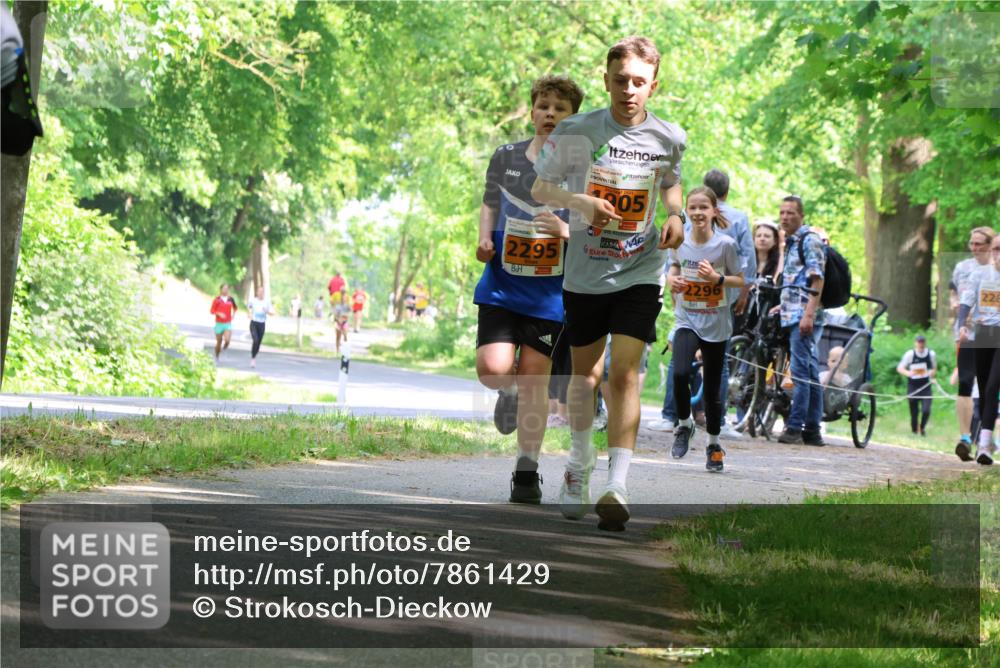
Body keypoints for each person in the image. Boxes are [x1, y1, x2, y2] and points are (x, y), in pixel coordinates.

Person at [532, 36, 686, 531]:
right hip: (586, 271)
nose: (629, 90)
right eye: (620, 80)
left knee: (624, 373)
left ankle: (618, 486)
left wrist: (677, 215)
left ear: (653, 86)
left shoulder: (668, 137)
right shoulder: (576, 130)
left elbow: (671, 182)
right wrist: (579, 202)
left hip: (640, 269)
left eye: (639, 82)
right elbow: (541, 187)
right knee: (586, 377)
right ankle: (579, 464)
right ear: (606, 80)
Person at [473, 74, 584, 504]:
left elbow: (596, 223)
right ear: (533, 111)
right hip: (502, 282)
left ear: (573, 118)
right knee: (493, 370)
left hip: (550, 292)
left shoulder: (583, 169)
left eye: (560, 109)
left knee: (537, 379)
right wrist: (484, 239)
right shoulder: (506, 157)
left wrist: (566, 230)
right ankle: (508, 390)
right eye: (544, 106)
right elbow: (490, 203)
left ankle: (526, 470)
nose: (550, 114)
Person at [666, 186, 744, 471]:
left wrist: (717, 279)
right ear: (686, 211)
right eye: (693, 207)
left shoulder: (725, 245)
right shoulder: (679, 241)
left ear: (714, 211)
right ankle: (684, 425)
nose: (698, 212)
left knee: (712, 389)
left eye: (703, 207)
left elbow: (741, 280)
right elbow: (673, 267)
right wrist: (671, 280)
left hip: (716, 322)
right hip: (687, 318)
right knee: (679, 373)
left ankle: (713, 445)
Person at [775, 195, 827, 446]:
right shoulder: (791, 242)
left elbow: (817, 279)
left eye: (791, 213)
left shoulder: (809, 240)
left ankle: (795, 427)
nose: (785, 217)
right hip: (791, 312)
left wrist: (808, 314)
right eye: (782, 212)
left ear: (801, 216)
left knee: (800, 372)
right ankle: (813, 430)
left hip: (803, 316)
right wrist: (782, 305)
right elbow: (795, 280)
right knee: (810, 372)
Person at [950, 227, 995, 461]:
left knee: (990, 386)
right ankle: (965, 438)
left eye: (979, 243)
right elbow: (954, 293)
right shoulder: (963, 268)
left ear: (990, 246)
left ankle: (985, 440)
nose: (974, 248)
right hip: (969, 334)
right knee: (966, 381)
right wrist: (957, 310)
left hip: (991, 333)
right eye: (971, 243)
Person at [897, 335, 937, 436]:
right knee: (914, 412)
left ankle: (922, 428)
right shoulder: (910, 354)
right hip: (913, 386)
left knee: (926, 410)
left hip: (926, 386)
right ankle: (914, 431)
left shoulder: (931, 354)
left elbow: (934, 368)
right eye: (919, 342)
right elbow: (900, 368)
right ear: (915, 343)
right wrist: (909, 373)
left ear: (925, 343)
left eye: (922, 342)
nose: (921, 344)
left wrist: (930, 374)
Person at [210, 284, 237, 363]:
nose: (225, 290)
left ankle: (224, 348)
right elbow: (212, 311)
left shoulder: (230, 299)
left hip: (227, 323)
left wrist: (233, 315)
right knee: (219, 342)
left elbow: (235, 308)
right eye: (224, 288)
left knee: (227, 340)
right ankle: (217, 355)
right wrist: (219, 313)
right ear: (221, 289)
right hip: (219, 323)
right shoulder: (217, 299)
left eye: (227, 288)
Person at [247, 286, 273, 368]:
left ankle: (254, 356)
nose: (261, 293)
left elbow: (272, 313)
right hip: (254, 323)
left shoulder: (267, 302)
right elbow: (249, 308)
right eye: (259, 291)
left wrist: (267, 311)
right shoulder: (253, 300)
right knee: (255, 340)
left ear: (264, 293)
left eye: (262, 292)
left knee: (258, 342)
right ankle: (253, 359)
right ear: (257, 292)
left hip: (262, 324)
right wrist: (249, 313)